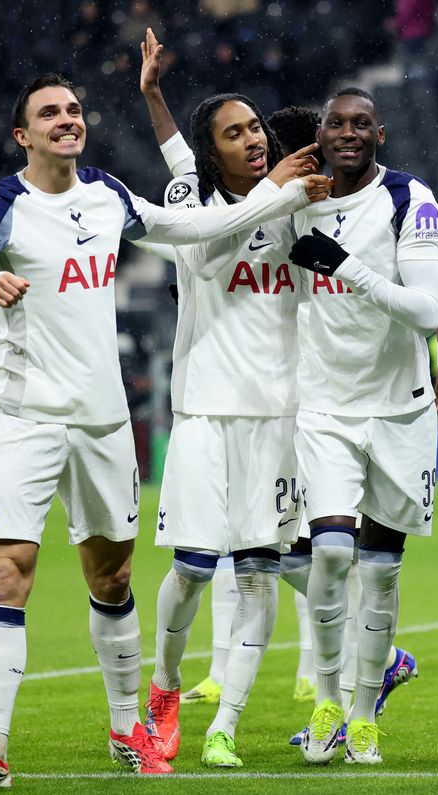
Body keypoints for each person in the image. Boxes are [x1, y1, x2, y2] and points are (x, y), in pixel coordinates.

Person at [0, 72, 329, 790]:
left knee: (111, 578)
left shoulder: (108, 195)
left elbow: (195, 228)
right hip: (23, 416)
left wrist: (278, 193)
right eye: (50, 113)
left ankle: (125, 730)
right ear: (23, 135)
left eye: (74, 110)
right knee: (8, 570)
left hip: (104, 420)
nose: (67, 119)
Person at [135, 30, 325, 768]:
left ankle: (225, 725)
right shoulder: (191, 198)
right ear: (212, 154)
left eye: (256, 128)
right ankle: (164, 685)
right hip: (206, 412)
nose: (253, 139)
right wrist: (275, 187)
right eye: (235, 133)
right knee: (190, 567)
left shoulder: (293, 201)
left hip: (278, 416)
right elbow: (208, 255)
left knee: (258, 573)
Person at [287, 86, 438, 766]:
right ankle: (326, 700)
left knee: (380, 573)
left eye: (361, 124)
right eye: (335, 123)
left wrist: (346, 267)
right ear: (319, 134)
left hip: (400, 409)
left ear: (379, 133)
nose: (347, 133)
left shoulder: (410, 198)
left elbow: (426, 308)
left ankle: (362, 714)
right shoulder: (296, 201)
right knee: (328, 553)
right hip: (324, 405)